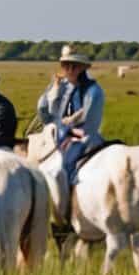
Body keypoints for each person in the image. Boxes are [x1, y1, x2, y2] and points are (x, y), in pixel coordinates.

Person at [33, 45, 105, 208]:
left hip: (83, 138)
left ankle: (66, 209)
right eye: (65, 65)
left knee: (61, 170)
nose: (69, 69)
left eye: (74, 66)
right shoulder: (60, 86)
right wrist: (53, 93)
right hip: (58, 135)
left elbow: (89, 122)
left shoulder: (93, 91)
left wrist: (64, 126)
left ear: (81, 68)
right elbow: (43, 112)